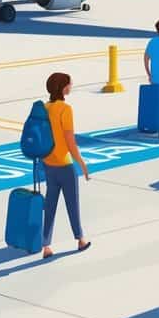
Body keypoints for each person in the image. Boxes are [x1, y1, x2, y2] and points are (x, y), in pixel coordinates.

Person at [41, 72, 91, 259]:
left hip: (48, 164)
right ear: (63, 87)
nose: (72, 86)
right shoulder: (65, 109)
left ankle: (46, 245)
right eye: (70, 83)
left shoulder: (45, 108)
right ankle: (80, 239)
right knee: (72, 204)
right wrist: (82, 164)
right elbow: (70, 143)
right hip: (64, 165)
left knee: (50, 205)